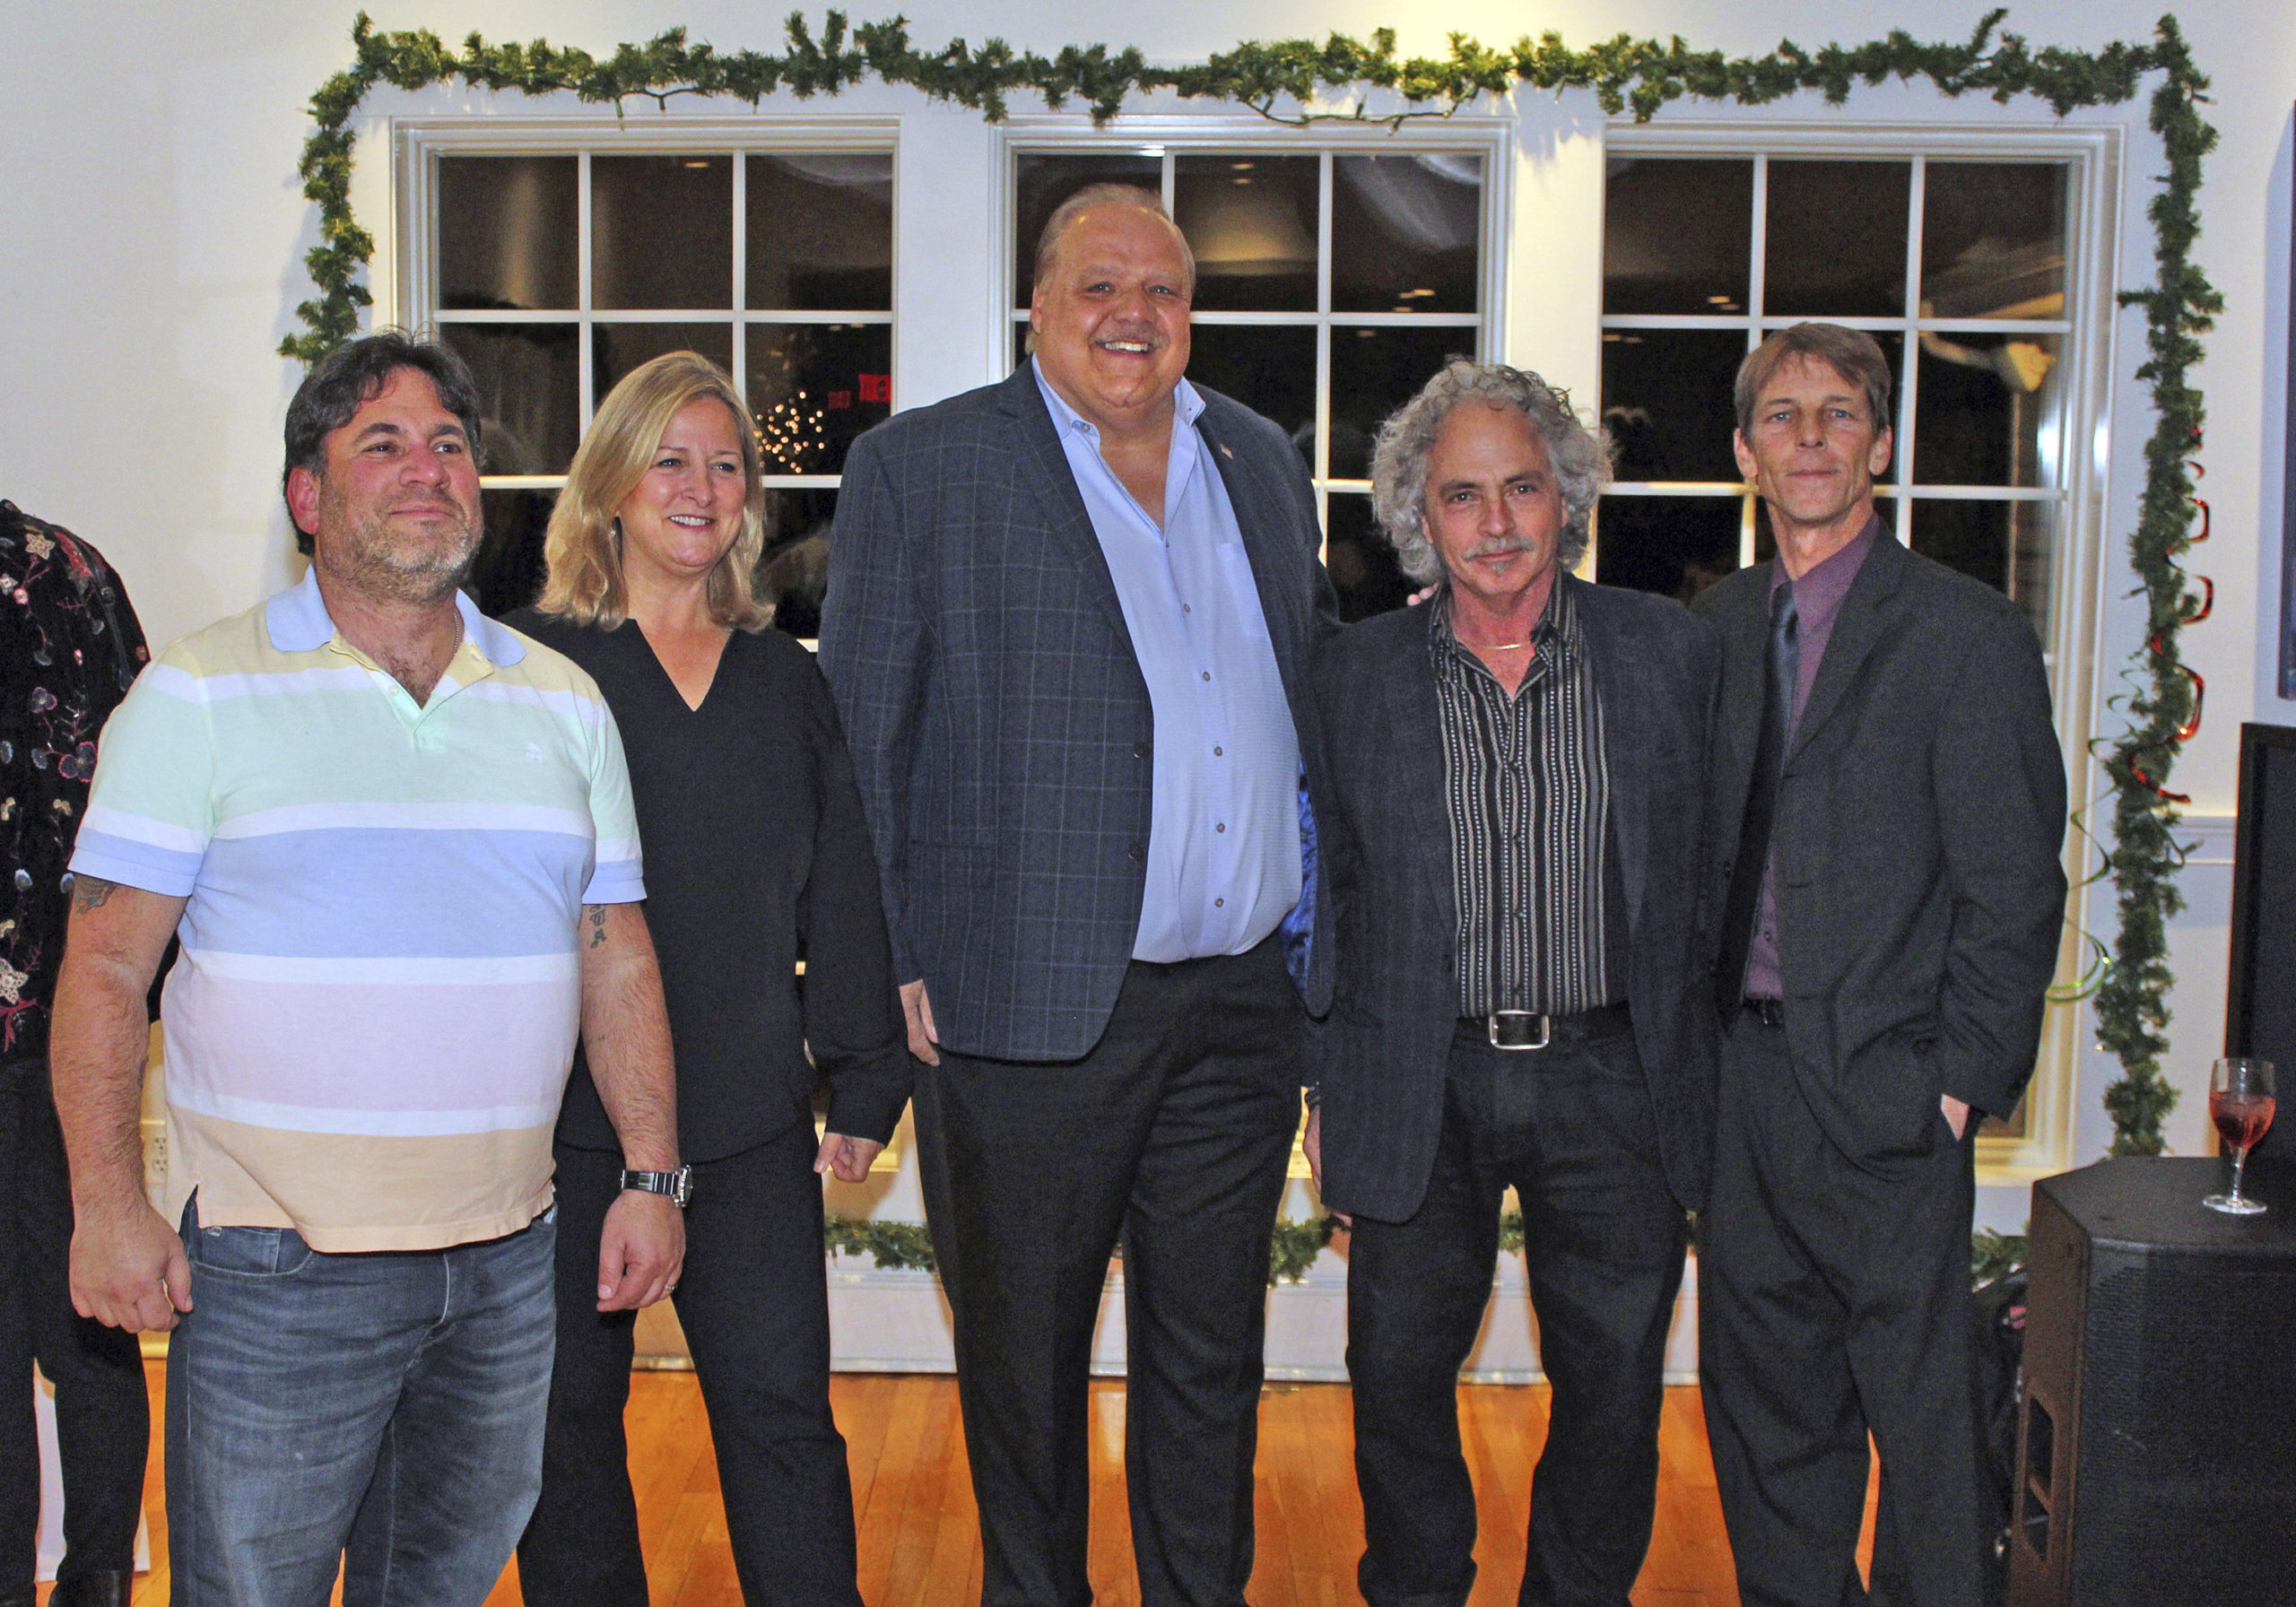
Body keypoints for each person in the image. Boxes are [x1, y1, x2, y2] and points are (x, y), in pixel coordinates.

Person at [48, 332, 686, 1607]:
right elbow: (106, 969)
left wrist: (654, 1176)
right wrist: (109, 1207)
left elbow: (615, 960)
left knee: (438, 1590)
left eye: (450, 445)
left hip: (505, 1268)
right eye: (381, 444)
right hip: (279, 1271)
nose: (426, 470)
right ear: (307, 495)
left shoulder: (561, 702)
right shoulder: (198, 694)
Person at [818, 183, 1335, 1607]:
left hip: (1241, 1007)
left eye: (1163, 290)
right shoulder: (923, 470)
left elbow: (1307, 696)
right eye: (1099, 285)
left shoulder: (1263, 459)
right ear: (1036, 306)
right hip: (1025, 1002)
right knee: (1025, 1363)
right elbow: (862, 744)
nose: (1133, 315)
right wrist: (890, 967)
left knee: (1209, 1358)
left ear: (1191, 316)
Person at [1305, 362, 1718, 1607]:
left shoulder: (1669, 655)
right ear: (1417, 518)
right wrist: (1325, 1079)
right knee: (1396, 1380)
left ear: (1567, 499)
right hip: (1416, 1070)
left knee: (1611, 1388)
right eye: (1463, 496)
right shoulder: (1350, 677)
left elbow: (1717, 870)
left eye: (1523, 489)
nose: (1496, 524)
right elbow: (1324, 887)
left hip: (1614, 1075)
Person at [509, 350, 909, 1606]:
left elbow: (843, 886)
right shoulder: (530, 675)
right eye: (671, 461)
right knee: (565, 1430)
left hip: (745, 1122)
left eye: (726, 465)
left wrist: (861, 1074)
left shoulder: (789, 682)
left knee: (783, 1425)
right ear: (613, 486)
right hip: (562, 1130)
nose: (701, 488)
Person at [1693, 323, 2066, 1606]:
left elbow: (2016, 887)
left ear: (1884, 443)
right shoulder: (1720, 622)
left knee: (1922, 1425)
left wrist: (1958, 1085)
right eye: (1783, 416)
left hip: (1894, 1096)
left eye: (1839, 414)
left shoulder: (1967, 636)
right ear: (1745, 452)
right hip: (1743, 1089)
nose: (1810, 437)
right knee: (1765, 1419)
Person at [0, 501, 151, 1607]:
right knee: (83, 1321)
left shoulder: (68, 574)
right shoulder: (76, 569)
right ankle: (89, 1578)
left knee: (85, 1314)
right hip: (66, 1011)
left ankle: (84, 1573)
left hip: (59, 1021)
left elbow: (145, 799)